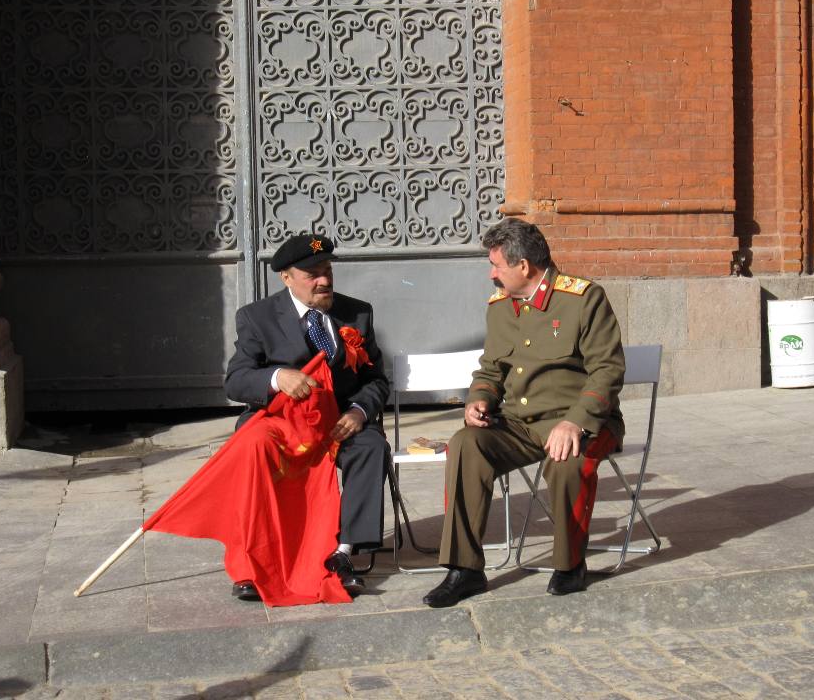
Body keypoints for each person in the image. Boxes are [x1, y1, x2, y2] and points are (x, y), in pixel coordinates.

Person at [423, 218, 625, 608]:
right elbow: (490, 369)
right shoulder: (501, 307)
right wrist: (478, 399)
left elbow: (608, 370)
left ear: (524, 266)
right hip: (517, 423)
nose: (491, 274)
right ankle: (465, 569)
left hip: (579, 421)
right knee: (466, 444)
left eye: (496, 265)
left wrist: (575, 421)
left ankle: (570, 564)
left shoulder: (584, 298)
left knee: (566, 461)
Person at [224, 233, 390, 600]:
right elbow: (235, 380)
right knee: (252, 445)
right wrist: (276, 377)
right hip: (281, 424)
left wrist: (359, 411)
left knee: (371, 445)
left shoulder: (357, 313)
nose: (324, 280)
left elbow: (376, 379)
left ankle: (342, 554)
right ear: (286, 277)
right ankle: (253, 561)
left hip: (337, 423)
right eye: (312, 274)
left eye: (327, 270)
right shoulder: (256, 317)